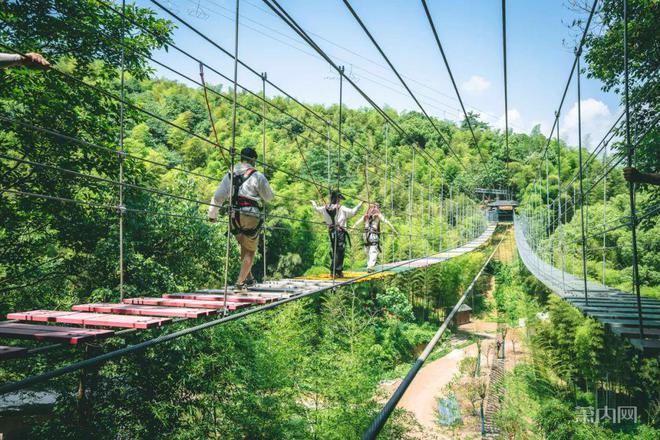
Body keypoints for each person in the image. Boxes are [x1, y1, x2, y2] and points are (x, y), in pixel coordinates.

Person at [208, 147, 274, 291]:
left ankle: (248, 278)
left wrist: (212, 214)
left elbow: (218, 196)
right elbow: (269, 197)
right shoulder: (257, 176)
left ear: (241, 159)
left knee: (244, 245)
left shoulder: (230, 175)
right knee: (250, 251)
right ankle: (239, 283)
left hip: (233, 217)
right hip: (251, 215)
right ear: (253, 160)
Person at [311, 191, 363, 278]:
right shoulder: (341, 208)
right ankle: (336, 270)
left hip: (331, 231)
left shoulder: (325, 208)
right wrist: (360, 203)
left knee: (335, 250)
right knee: (340, 251)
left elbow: (316, 208)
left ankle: (335, 271)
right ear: (338, 199)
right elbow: (353, 212)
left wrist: (313, 203)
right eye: (340, 199)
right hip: (340, 232)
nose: (340, 201)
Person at [351, 203, 396, 273]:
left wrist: (352, 229)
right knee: (373, 251)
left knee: (368, 250)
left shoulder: (366, 215)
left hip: (365, 235)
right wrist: (393, 229)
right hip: (373, 234)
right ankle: (370, 267)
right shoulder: (378, 215)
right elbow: (386, 222)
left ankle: (369, 266)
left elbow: (357, 223)